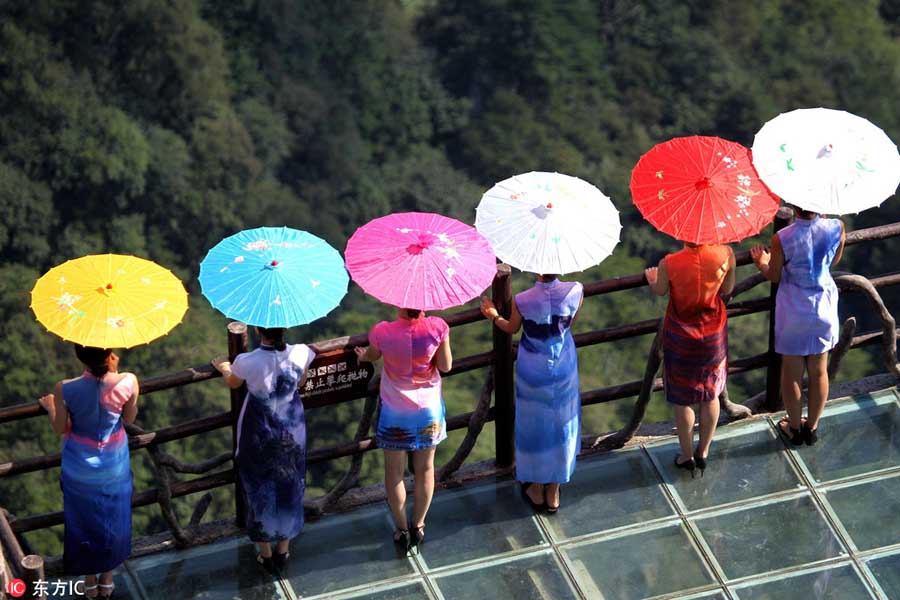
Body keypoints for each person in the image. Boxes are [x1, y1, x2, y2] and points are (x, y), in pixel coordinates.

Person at [38, 345, 139, 599]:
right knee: (113, 519)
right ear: (109, 356)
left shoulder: (65, 388)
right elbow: (129, 419)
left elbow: (61, 427)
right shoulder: (128, 381)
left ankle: (90, 581)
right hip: (113, 466)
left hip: (79, 469)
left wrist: (51, 406)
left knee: (83, 522)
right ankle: (107, 578)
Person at [212, 327, 315, 573]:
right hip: (292, 432)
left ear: (258, 330)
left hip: (260, 433)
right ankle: (284, 550)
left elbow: (233, 382)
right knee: (290, 484)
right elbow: (300, 381)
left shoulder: (247, 361)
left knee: (259, 488)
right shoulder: (302, 352)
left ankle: (265, 554)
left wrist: (223, 367)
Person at [480, 274, 583, 513]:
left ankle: (535, 487)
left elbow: (512, 328)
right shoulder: (577, 290)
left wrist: (494, 316)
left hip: (533, 368)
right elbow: (569, 323)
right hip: (564, 363)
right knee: (562, 422)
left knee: (534, 423)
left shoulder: (522, 299)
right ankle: (554, 490)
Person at [355, 307, 452, 551]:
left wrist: (362, 355)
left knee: (394, 472)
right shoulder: (438, 327)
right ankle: (418, 525)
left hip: (396, 410)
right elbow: (446, 365)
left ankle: (401, 529)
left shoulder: (382, 331)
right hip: (428, 408)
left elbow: (373, 355)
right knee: (426, 468)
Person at [751, 207, 845, 446]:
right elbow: (834, 259)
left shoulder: (783, 237)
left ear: (794, 206)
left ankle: (793, 427)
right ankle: (811, 427)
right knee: (819, 371)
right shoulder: (837, 227)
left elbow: (774, 275)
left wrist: (762, 262)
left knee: (791, 375)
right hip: (823, 307)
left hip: (794, 310)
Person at [645, 242, 735, 477]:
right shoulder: (725, 253)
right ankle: (703, 452)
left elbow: (660, 290)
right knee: (711, 391)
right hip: (713, 332)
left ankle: (686, 455)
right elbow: (727, 288)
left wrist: (652, 278)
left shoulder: (670, 262)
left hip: (681, 334)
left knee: (683, 398)